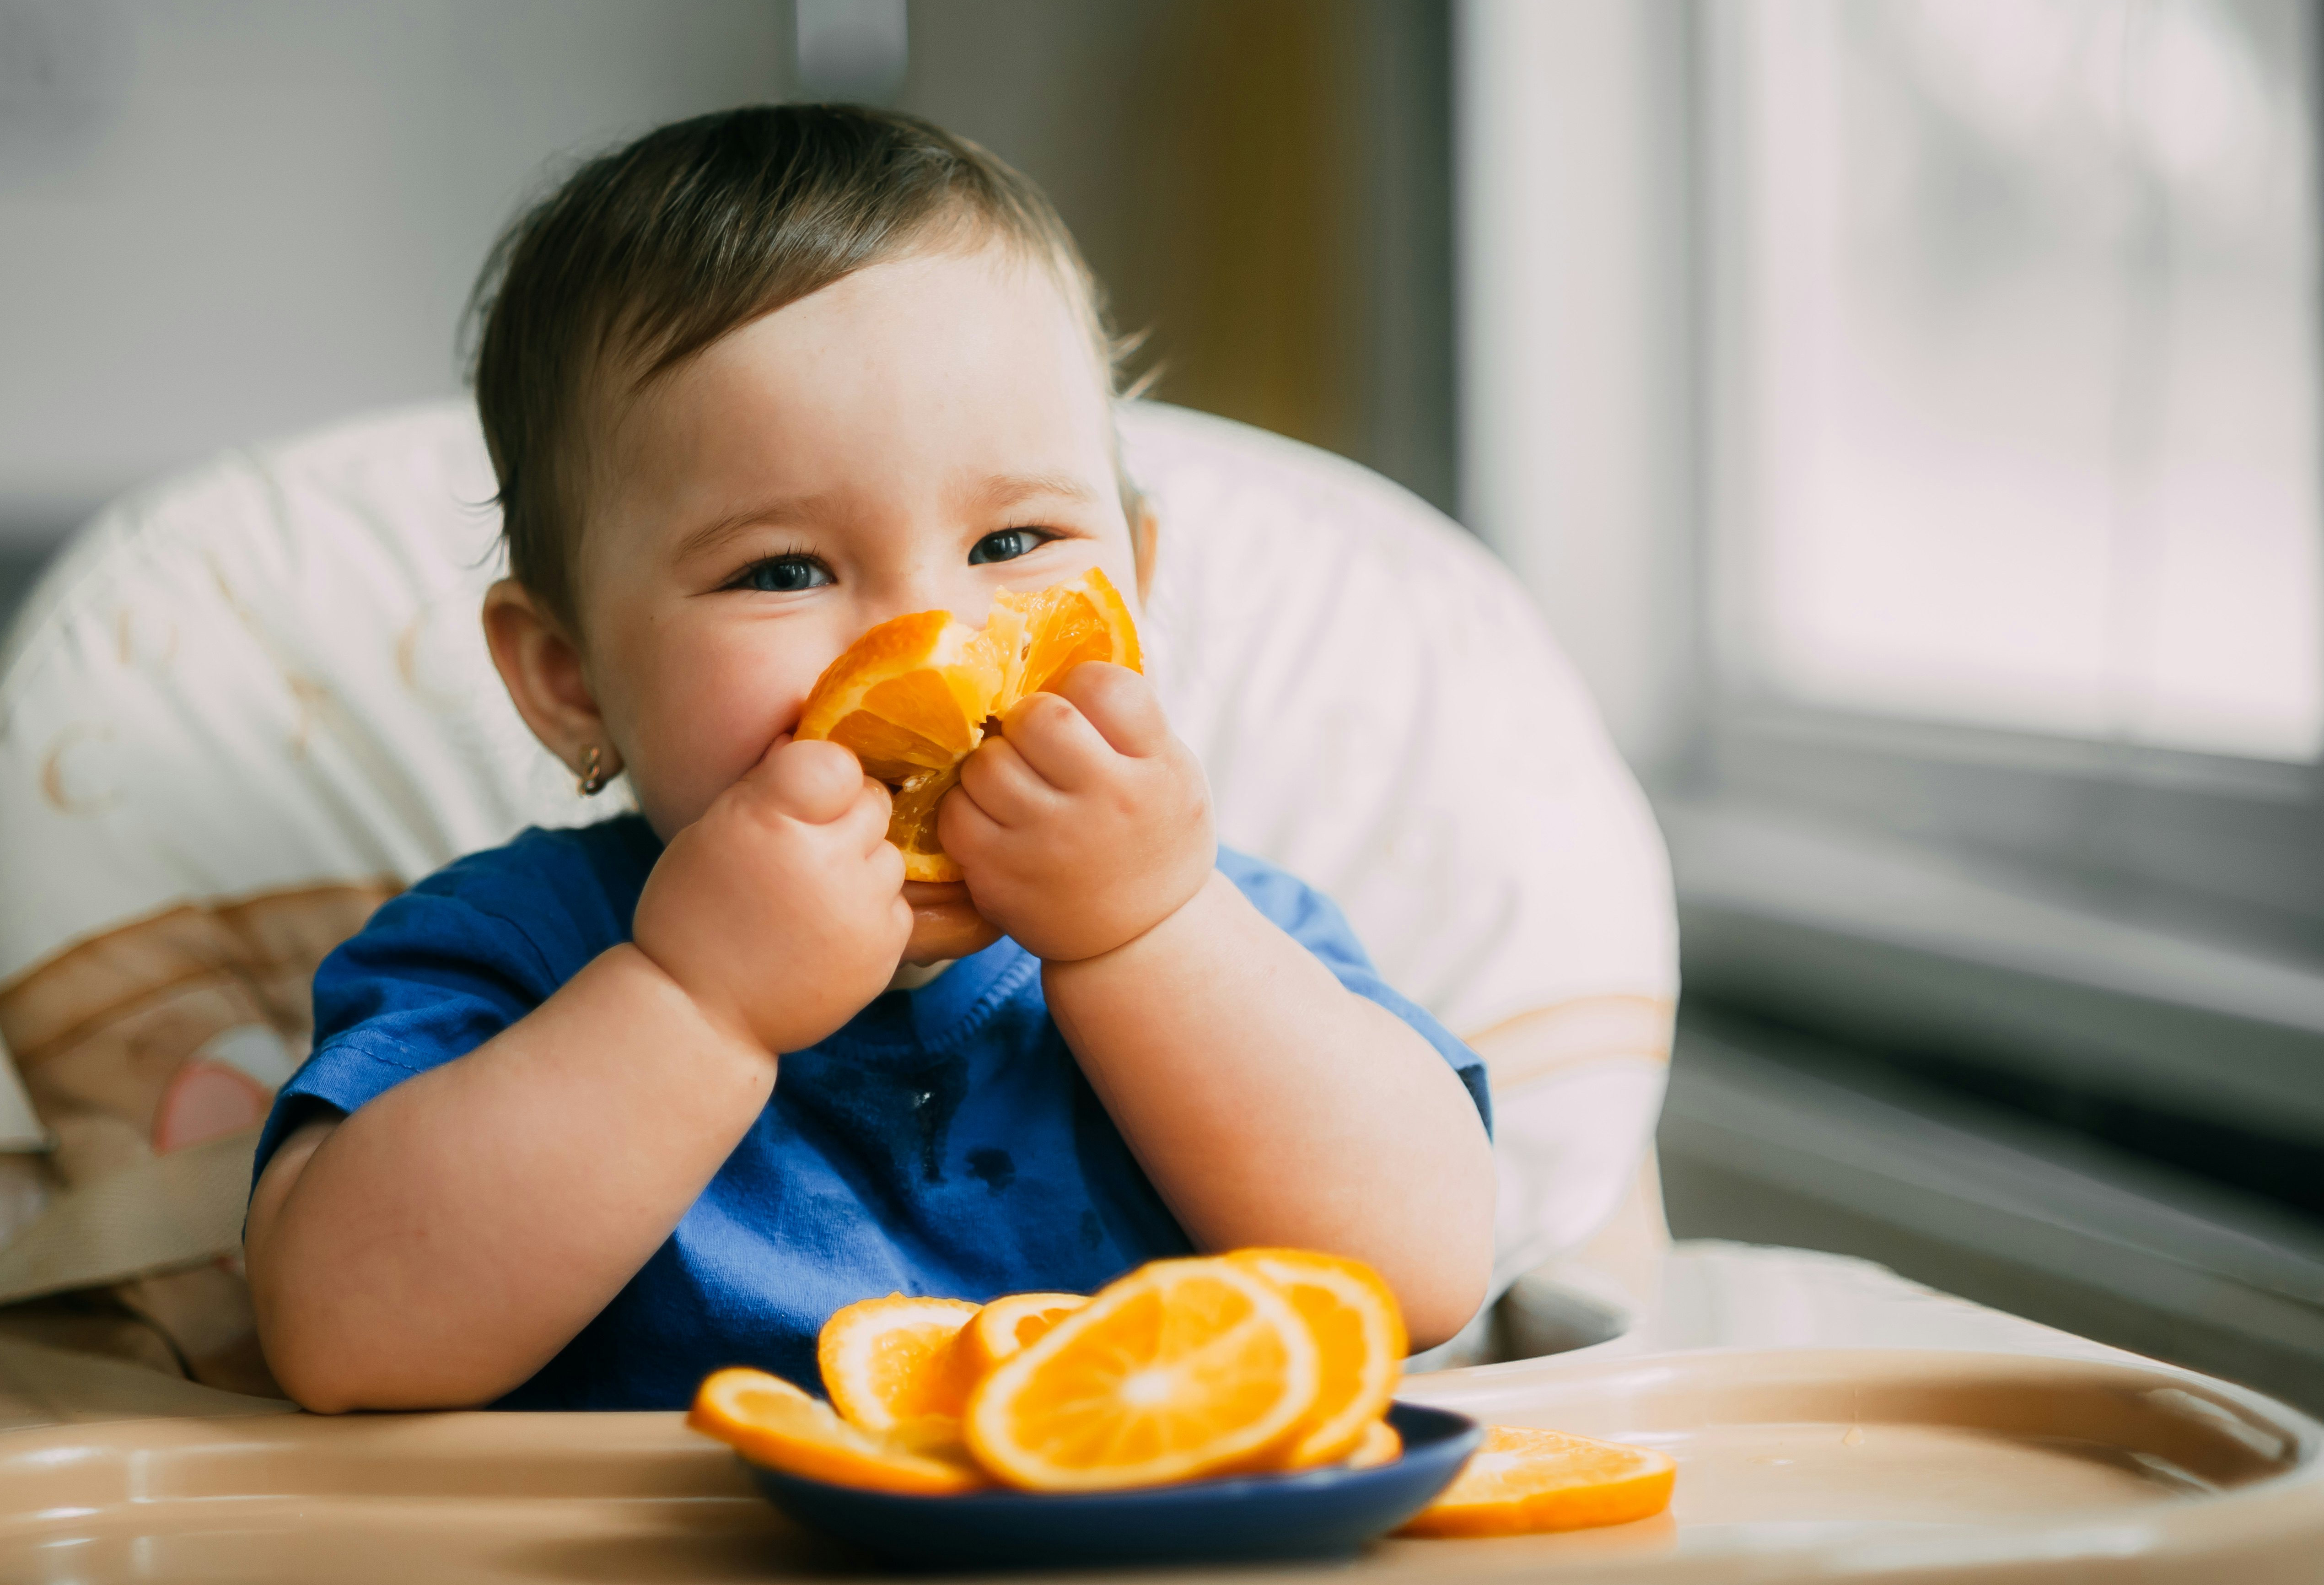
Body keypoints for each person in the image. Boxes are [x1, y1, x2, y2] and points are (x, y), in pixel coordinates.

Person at [244, 105, 1495, 1412]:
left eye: (1014, 544)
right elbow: (343, 1338)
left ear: (1137, 579)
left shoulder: (1232, 935)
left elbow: (1422, 1274)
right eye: (782, 571)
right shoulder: (511, 956)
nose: (931, 644)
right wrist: (695, 1005)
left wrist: (1148, 937)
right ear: (570, 682)